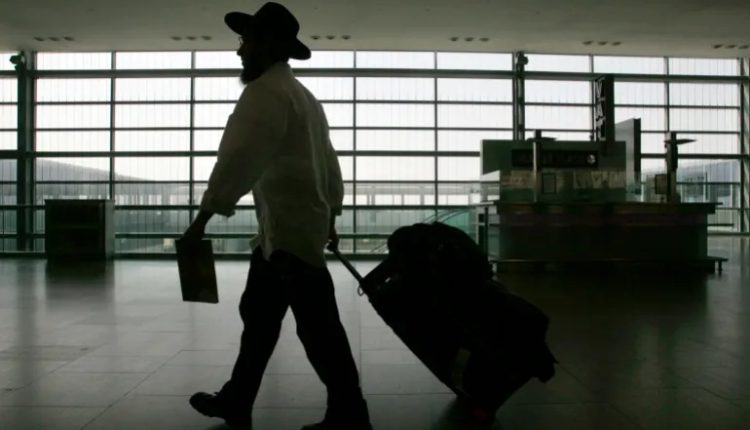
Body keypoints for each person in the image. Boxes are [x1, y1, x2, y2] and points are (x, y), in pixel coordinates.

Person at [181, 3, 372, 430]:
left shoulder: (264, 93)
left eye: (245, 41)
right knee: (260, 318)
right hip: (290, 232)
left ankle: (349, 413)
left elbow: (237, 159)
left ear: (266, 43)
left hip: (288, 234)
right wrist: (331, 216)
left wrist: (201, 221)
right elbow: (329, 164)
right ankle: (238, 399)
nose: (240, 51)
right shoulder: (304, 97)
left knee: (317, 329)